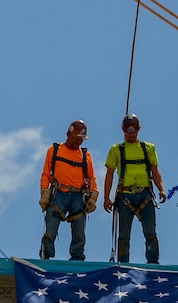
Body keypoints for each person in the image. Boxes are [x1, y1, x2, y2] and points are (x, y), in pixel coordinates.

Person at [103, 113, 166, 264]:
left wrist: (161, 189)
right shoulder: (116, 150)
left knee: (150, 232)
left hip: (145, 194)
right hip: (125, 196)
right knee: (124, 234)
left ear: (138, 129)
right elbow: (109, 174)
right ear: (123, 130)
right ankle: (123, 264)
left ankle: (153, 262)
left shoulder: (148, 148)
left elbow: (155, 170)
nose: (131, 135)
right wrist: (106, 198)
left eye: (134, 131)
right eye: (128, 131)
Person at [39, 119, 99, 261]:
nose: (78, 141)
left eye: (81, 139)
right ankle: (46, 254)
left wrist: (93, 197)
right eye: (76, 138)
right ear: (68, 135)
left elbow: (92, 179)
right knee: (51, 227)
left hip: (78, 196)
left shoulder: (86, 156)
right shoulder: (54, 150)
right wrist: (44, 194)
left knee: (79, 230)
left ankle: (77, 256)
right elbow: (46, 174)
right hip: (58, 194)